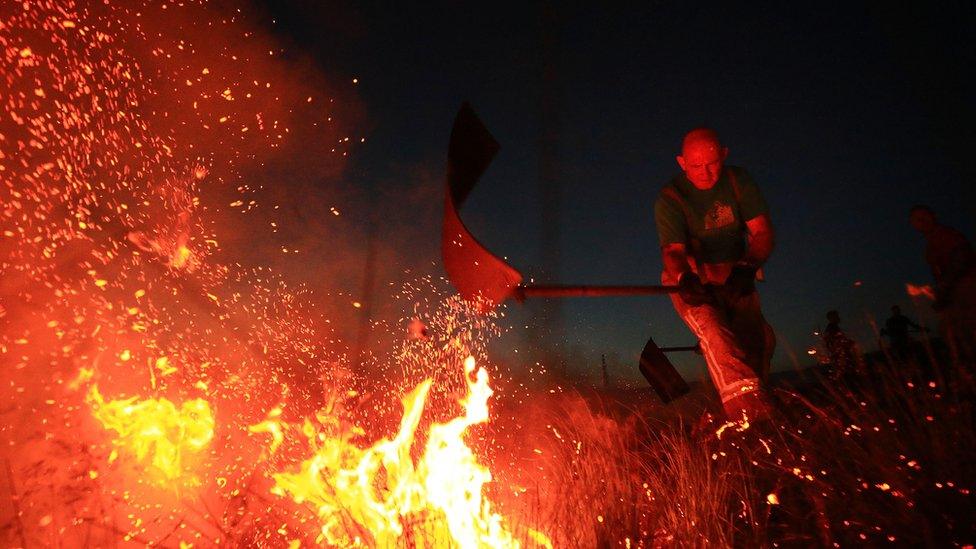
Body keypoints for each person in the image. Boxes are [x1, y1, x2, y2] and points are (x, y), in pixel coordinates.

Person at [655, 128, 776, 421]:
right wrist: (686, 279)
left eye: (712, 164)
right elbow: (673, 252)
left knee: (758, 342)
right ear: (682, 163)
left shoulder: (739, 181)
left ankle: (751, 415)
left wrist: (747, 266)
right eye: (696, 166)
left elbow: (762, 233)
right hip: (692, 274)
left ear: (724, 155)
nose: (706, 174)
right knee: (713, 330)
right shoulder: (670, 198)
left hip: (736, 270)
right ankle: (745, 415)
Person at [909, 205, 976, 360]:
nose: (921, 222)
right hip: (955, 297)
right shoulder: (930, 246)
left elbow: (961, 259)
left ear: (933, 216)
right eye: (916, 220)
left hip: (966, 292)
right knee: (953, 335)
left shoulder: (946, 235)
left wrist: (944, 289)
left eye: (923, 217)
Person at [823, 310, 858, 378]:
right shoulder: (832, 328)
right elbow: (836, 342)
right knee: (847, 374)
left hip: (840, 356)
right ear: (832, 318)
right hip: (841, 356)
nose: (839, 318)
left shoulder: (832, 328)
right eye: (836, 316)